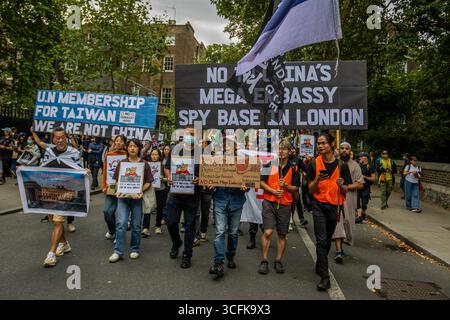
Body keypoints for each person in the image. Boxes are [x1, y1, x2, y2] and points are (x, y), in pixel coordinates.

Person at [31, 126, 86, 267]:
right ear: (53, 139)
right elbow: (43, 168)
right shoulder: (48, 151)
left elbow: (78, 170)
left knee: (57, 221)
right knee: (55, 221)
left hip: (66, 193)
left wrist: (84, 171)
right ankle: (64, 244)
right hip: (50, 192)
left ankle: (51, 254)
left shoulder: (74, 152)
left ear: (66, 137)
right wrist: (24, 170)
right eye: (57, 137)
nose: (60, 140)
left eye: (62, 137)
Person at [306, 133, 352, 291]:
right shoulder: (313, 163)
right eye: (318, 143)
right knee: (321, 240)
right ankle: (325, 277)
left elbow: (347, 189)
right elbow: (310, 190)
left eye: (323, 143)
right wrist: (317, 179)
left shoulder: (342, 165)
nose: (320, 146)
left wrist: (341, 185)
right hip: (318, 204)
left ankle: (320, 264)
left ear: (332, 144)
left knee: (327, 240)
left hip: (334, 206)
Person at [258, 140, 300, 275]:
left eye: (284, 149)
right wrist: (273, 191)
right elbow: (261, 182)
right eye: (279, 148)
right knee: (268, 232)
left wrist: (286, 186)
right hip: (269, 201)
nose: (281, 151)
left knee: (282, 234)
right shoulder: (269, 164)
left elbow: (296, 188)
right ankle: (264, 260)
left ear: (289, 151)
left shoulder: (294, 168)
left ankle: (278, 260)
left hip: (285, 204)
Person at [209, 139, 249, 277]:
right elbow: (210, 179)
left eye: (231, 147)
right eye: (225, 147)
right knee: (219, 231)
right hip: (220, 200)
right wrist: (211, 184)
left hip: (236, 202)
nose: (228, 149)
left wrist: (246, 186)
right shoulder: (216, 162)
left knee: (233, 232)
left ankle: (230, 255)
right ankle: (218, 262)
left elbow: (250, 180)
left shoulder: (243, 163)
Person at [109, 139, 153, 263]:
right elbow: (117, 180)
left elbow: (149, 182)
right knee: (121, 224)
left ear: (139, 148)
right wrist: (118, 189)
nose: (132, 148)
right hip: (123, 198)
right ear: (127, 148)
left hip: (137, 199)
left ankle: (135, 249)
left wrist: (140, 191)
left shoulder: (144, 164)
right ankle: (118, 251)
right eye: (130, 146)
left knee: (136, 225)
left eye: (135, 146)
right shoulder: (122, 163)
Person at [164, 127, 201, 269]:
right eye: (187, 134)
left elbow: (208, 172)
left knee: (190, 226)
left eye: (192, 134)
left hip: (193, 196)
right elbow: (167, 167)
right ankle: (176, 242)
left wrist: (200, 179)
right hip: (175, 193)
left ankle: (187, 254)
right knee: (170, 221)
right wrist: (168, 176)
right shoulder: (175, 149)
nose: (189, 136)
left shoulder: (201, 153)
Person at [332, 142, 364, 263]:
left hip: (349, 198)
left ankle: (343, 242)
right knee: (338, 221)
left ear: (350, 151)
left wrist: (347, 187)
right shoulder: (334, 163)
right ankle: (338, 250)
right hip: (334, 198)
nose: (344, 150)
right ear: (339, 150)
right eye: (342, 148)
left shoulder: (355, 166)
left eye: (346, 148)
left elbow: (360, 184)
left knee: (347, 222)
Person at [102, 135, 127, 240]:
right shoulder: (109, 155)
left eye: (121, 141)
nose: (119, 143)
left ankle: (118, 235)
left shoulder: (128, 154)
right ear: (114, 142)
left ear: (124, 143)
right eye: (117, 141)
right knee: (107, 211)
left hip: (124, 188)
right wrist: (103, 186)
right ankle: (112, 231)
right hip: (111, 188)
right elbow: (105, 171)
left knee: (121, 215)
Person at [141, 148, 168, 236]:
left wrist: (163, 179)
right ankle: (145, 227)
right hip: (149, 189)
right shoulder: (146, 165)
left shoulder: (163, 166)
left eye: (156, 155)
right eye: (152, 154)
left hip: (160, 189)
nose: (154, 156)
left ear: (159, 156)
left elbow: (168, 179)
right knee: (147, 207)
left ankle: (158, 226)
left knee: (159, 208)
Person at [356, 153, 376, 223]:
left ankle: (363, 215)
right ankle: (359, 217)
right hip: (357, 187)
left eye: (362, 156)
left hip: (366, 188)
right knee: (357, 203)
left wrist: (365, 177)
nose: (361, 158)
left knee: (364, 204)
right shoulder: (358, 166)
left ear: (366, 158)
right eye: (360, 156)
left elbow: (373, 179)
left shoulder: (370, 166)